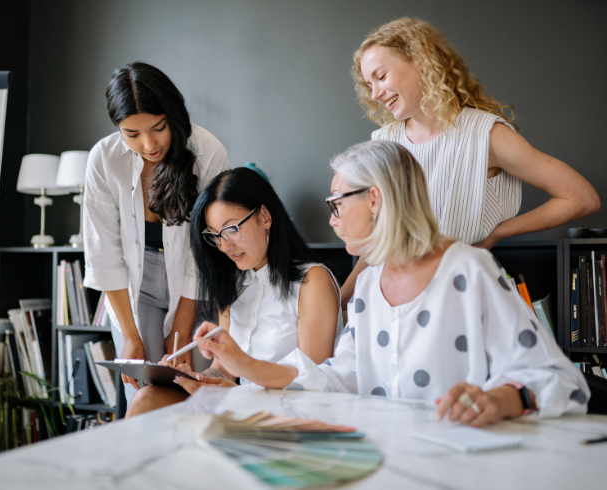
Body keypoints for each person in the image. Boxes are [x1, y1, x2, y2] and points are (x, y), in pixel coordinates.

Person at [191, 141, 590, 426]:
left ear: (375, 200)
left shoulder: (469, 269)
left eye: (337, 203)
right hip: (388, 459)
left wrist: (501, 398)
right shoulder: (367, 288)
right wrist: (242, 364)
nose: (332, 218)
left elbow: (561, 381)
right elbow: (336, 377)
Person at [339, 17, 600, 305]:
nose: (374, 94)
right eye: (368, 84)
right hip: (387, 300)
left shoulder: (487, 136)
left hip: (456, 298)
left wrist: (497, 233)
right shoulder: (382, 143)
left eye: (381, 76)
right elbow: (378, 244)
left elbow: (581, 197)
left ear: (421, 61)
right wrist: (341, 300)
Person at [125, 168, 343, 417]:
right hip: (242, 402)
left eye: (232, 230)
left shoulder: (312, 280)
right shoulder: (234, 282)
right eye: (215, 236)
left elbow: (312, 380)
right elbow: (222, 369)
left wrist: (238, 393)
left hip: (291, 409)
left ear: (265, 217)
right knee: (147, 398)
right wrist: (191, 378)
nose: (225, 246)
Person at [82, 62, 230, 401]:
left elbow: (202, 250)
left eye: (158, 128)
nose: (149, 144)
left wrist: (181, 327)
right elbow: (103, 254)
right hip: (137, 285)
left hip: (197, 285)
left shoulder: (208, 152)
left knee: (191, 388)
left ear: (172, 115)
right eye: (132, 134)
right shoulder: (103, 159)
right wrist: (130, 335)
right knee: (145, 389)